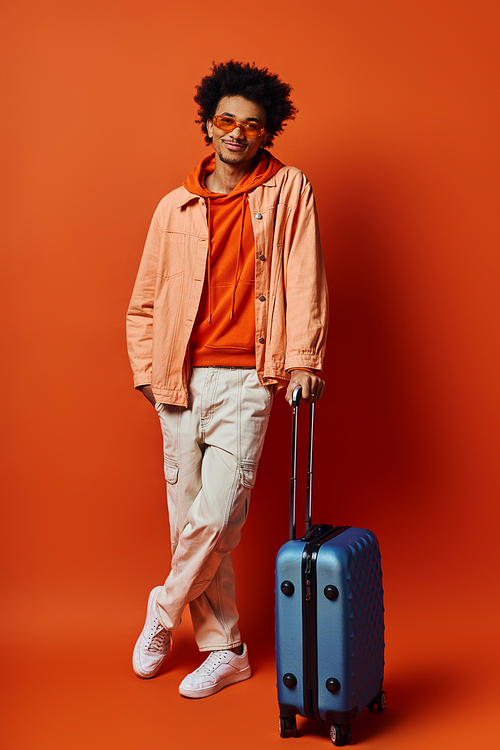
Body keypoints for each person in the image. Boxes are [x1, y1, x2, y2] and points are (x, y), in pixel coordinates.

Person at [126, 60, 328, 699]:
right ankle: (227, 650)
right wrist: (145, 374)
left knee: (215, 518)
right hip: (179, 383)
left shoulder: (290, 190)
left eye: (253, 125)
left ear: (267, 133)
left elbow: (305, 277)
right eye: (226, 121)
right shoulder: (174, 206)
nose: (238, 134)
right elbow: (145, 299)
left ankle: (161, 613)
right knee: (188, 520)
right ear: (208, 125)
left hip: (246, 379)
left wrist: (305, 360)